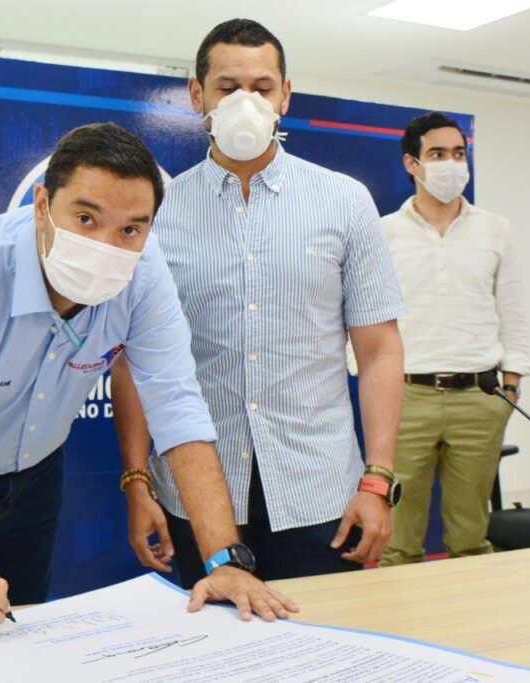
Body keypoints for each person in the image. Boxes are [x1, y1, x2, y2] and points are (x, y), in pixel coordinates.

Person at [0, 123, 297, 641]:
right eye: (85, 218)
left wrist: (224, 561)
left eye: (131, 230)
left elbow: (179, 411)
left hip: (39, 469)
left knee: (26, 630)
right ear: (41, 205)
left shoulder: (145, 275)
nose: (106, 247)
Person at [111, 19, 406, 586]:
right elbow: (134, 359)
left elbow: (379, 352)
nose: (245, 102)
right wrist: (136, 481)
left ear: (284, 96)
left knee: (322, 636)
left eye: (261, 87)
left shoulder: (344, 201)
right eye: (227, 88)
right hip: (194, 493)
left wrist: (377, 479)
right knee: (211, 636)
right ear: (196, 95)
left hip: (320, 492)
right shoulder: (157, 211)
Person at [378, 112, 530, 566]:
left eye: (459, 154)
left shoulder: (496, 230)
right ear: (412, 163)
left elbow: (513, 312)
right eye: (438, 154)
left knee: (471, 538)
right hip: (406, 398)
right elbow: (364, 314)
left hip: (480, 398)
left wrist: (511, 386)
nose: (451, 163)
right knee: (398, 540)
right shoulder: (383, 232)